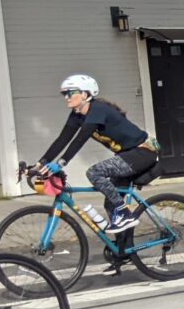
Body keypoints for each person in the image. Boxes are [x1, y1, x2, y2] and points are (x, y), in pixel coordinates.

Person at [35, 73, 157, 233]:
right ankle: (123, 251)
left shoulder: (98, 110)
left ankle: (125, 213)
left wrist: (61, 163)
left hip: (142, 152)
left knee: (94, 172)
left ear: (85, 94)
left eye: (70, 93)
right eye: (64, 94)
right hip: (125, 155)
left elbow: (80, 139)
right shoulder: (77, 114)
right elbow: (62, 140)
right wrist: (38, 165)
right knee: (110, 204)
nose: (66, 97)